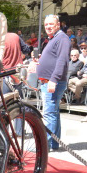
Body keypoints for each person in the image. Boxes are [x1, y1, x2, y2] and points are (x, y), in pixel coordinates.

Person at [36, 14, 71, 151]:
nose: (48, 27)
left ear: (58, 24)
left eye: (51, 24)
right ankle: (53, 144)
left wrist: (53, 79)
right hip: (49, 81)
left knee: (49, 113)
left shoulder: (62, 38)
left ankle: (46, 146)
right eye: (46, 25)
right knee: (53, 113)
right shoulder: (54, 39)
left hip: (52, 81)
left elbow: (62, 61)